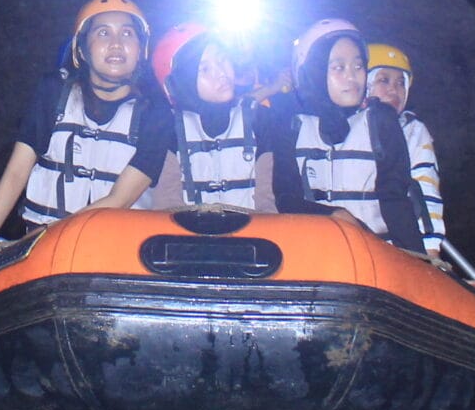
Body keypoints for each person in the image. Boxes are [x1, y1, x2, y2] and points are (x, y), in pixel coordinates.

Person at [0, 0, 172, 263]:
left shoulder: (156, 114)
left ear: (140, 50)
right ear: (82, 50)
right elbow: (16, 173)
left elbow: (119, 199)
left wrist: (26, 245)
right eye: (103, 33)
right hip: (42, 254)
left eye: (127, 33)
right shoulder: (53, 92)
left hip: (115, 253)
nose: (116, 43)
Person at [268, 19, 438, 252]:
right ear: (313, 72)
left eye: (358, 66)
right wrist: (334, 215)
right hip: (315, 252)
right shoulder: (291, 126)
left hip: (379, 256)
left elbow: (396, 202)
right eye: (339, 67)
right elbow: (286, 198)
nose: (352, 76)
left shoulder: (381, 121)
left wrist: (419, 261)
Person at [147, 21, 265, 211]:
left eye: (222, 59)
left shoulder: (261, 120)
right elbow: (166, 206)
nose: (221, 73)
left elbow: (269, 203)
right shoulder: (167, 130)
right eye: (205, 69)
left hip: (255, 230)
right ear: (181, 82)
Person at [363, 40, 447, 240]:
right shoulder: (341, 130)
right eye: (384, 80)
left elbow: (425, 190)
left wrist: (430, 244)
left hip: (393, 244)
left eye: (401, 83)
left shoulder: (413, 132)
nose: (394, 90)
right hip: (348, 241)